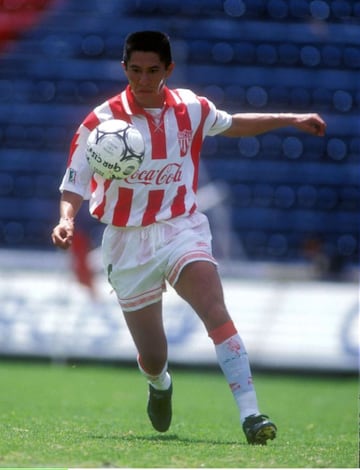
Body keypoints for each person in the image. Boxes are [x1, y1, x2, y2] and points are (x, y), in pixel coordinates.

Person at [51, 31, 326, 445]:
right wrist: (67, 219)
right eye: (136, 71)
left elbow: (233, 124)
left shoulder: (192, 108)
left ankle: (251, 414)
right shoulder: (100, 123)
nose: (144, 79)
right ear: (124, 68)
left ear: (169, 70)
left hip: (181, 227)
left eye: (153, 71)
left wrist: (290, 118)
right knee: (153, 354)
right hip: (127, 242)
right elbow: (74, 183)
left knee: (215, 308)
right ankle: (159, 383)